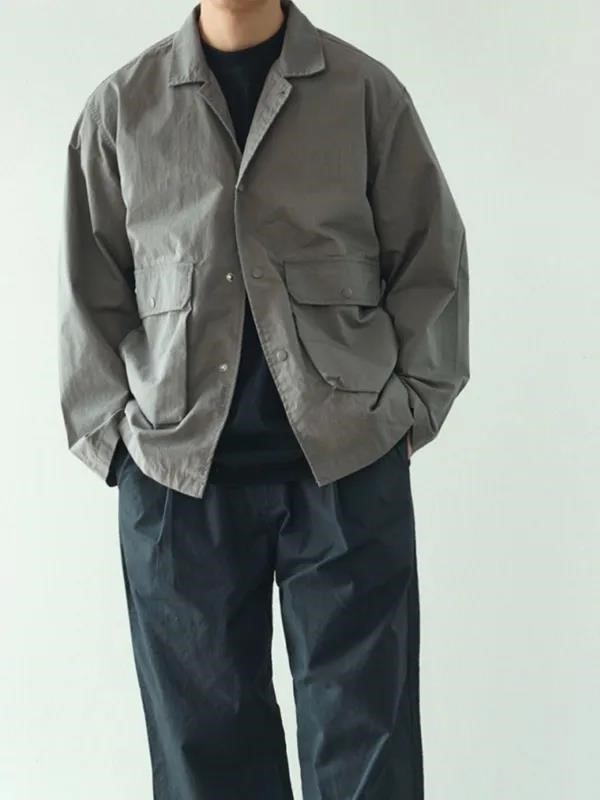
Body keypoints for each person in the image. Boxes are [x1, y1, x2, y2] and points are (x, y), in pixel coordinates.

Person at [56, 1, 469, 797]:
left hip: (347, 468)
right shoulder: (122, 108)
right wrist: (117, 448)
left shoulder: (364, 93)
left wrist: (405, 415)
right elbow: (88, 291)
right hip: (178, 485)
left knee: (367, 749)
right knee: (205, 760)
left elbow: (431, 258)